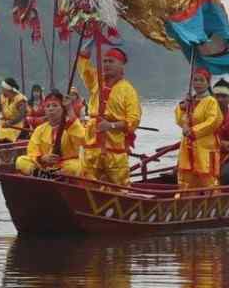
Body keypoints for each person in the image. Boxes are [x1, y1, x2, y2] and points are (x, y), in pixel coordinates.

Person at [79, 44, 142, 185]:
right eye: (105, 61)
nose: (106, 65)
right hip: (92, 147)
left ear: (121, 66)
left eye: (111, 61)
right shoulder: (97, 82)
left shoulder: (128, 90)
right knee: (86, 183)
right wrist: (84, 55)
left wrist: (110, 125)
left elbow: (133, 121)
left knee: (119, 186)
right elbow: (85, 70)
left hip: (115, 150)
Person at [14, 90, 87, 175]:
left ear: (63, 109)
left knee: (76, 167)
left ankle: (52, 175)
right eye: (48, 106)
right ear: (45, 110)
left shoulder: (71, 125)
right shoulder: (39, 129)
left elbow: (83, 141)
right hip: (43, 166)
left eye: (55, 105)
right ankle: (40, 174)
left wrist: (70, 110)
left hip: (65, 164)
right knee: (21, 160)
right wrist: (42, 158)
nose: (51, 109)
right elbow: (32, 151)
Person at [175, 66, 223, 189]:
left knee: (208, 180)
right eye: (195, 80)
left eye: (202, 80)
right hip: (188, 146)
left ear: (208, 83)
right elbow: (180, 121)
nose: (198, 83)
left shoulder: (211, 101)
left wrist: (193, 131)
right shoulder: (189, 101)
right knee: (185, 180)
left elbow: (213, 121)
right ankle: (185, 203)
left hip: (205, 147)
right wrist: (182, 108)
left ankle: (213, 204)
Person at [0, 78, 29, 145]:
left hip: (16, 125)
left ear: (8, 89)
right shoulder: (2, 97)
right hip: (4, 124)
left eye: (3, 88)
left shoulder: (20, 99)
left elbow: (21, 115)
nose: (2, 90)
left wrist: (10, 123)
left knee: (7, 138)